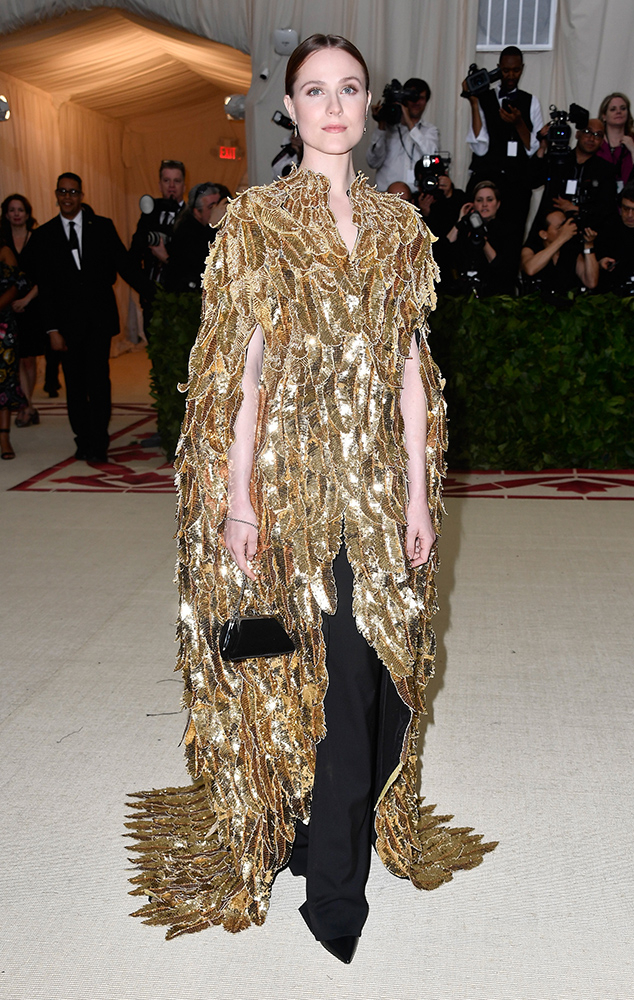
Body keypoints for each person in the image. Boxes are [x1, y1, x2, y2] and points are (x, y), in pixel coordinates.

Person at [126, 33, 495, 963]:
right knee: (333, 679)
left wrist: (417, 493)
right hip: (291, 488)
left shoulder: (402, 230)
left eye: (350, 89)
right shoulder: (253, 222)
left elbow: (414, 374)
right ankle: (335, 889)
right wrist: (239, 498)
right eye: (314, 91)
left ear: (369, 107)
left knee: (388, 678)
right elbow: (239, 375)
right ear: (287, 110)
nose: (333, 106)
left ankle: (313, 828)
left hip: (377, 484)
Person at [22, 172, 145, 463]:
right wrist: (52, 329)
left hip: (99, 321)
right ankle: (83, 439)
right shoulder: (45, 235)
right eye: (63, 192)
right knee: (75, 385)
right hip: (65, 327)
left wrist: (154, 291)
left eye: (73, 192)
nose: (68, 197)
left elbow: (124, 266)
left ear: (81, 195)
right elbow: (47, 288)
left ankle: (100, 442)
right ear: (56, 195)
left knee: (99, 382)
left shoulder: (102, 227)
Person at [462, 45, 544, 250]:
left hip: (518, 185)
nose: (510, 75)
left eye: (515, 70)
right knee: (477, 233)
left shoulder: (531, 102)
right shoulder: (484, 97)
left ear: (522, 69)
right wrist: (473, 101)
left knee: (513, 238)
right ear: (498, 68)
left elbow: (534, 148)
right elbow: (480, 148)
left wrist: (518, 123)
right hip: (487, 179)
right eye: (506, 70)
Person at [128, 159, 186, 339]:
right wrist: (145, 291)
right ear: (159, 184)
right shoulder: (149, 215)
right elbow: (133, 256)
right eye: (166, 180)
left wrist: (166, 257)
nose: (171, 186)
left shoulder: (191, 218)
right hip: (152, 301)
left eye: (176, 181)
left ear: (184, 185)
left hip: (181, 301)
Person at [531, 118, 617, 235]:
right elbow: (533, 181)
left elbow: (607, 207)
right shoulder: (557, 159)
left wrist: (577, 209)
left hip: (586, 231)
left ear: (602, 141)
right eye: (587, 132)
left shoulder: (606, 169)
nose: (592, 138)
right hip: (550, 229)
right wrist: (542, 148)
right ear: (577, 134)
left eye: (598, 135)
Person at [0, 194, 43, 426]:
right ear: (6, 214)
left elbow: (43, 276)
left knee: (28, 359)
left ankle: (28, 404)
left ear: (27, 213)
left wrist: (26, 300)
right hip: (7, 310)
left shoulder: (36, 239)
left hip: (31, 305)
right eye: (12, 210)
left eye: (20, 210)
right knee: (13, 361)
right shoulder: (3, 241)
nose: (16, 214)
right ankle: (26, 406)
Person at [366, 77, 440, 191]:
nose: (416, 102)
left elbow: (432, 155)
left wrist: (410, 124)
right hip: (385, 196)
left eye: (420, 98)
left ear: (426, 101)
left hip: (415, 198)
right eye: (412, 98)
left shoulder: (430, 130)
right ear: (404, 99)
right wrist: (381, 124)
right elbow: (373, 162)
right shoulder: (388, 128)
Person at [446, 181, 516, 295]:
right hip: (462, 293)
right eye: (479, 200)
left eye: (489, 200)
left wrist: (482, 238)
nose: (484, 204)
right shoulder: (465, 228)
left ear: (498, 204)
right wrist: (460, 220)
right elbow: (444, 251)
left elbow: (501, 268)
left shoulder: (506, 231)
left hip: (493, 293)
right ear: (473, 204)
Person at [163, 183, 230, 293]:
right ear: (197, 212)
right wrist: (211, 226)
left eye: (218, 205)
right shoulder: (185, 232)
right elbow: (200, 261)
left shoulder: (225, 229)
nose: (217, 211)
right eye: (211, 207)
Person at [521, 209, 599, 295]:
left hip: (566, 304)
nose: (565, 230)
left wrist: (588, 245)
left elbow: (591, 282)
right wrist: (562, 238)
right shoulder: (531, 249)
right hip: (535, 304)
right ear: (544, 234)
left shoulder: (570, 250)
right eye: (559, 227)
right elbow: (530, 269)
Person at [0, 235, 29, 459]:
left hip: (1, 322)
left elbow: (19, 283)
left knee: (3, 380)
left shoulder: (4, 251)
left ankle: (4, 438)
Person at [597, 93, 634, 190]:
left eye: (623, 108)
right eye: (613, 109)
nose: (619, 112)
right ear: (604, 116)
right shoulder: (595, 146)